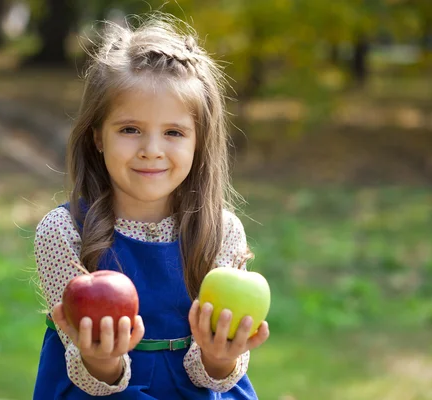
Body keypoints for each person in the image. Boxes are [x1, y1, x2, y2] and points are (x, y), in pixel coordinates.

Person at [32, 12, 270, 399]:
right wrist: (102, 360)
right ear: (97, 137)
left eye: (174, 132)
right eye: (130, 129)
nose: (151, 151)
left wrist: (220, 357)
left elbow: (213, 377)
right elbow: (86, 370)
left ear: (199, 142)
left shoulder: (221, 232)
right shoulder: (63, 232)